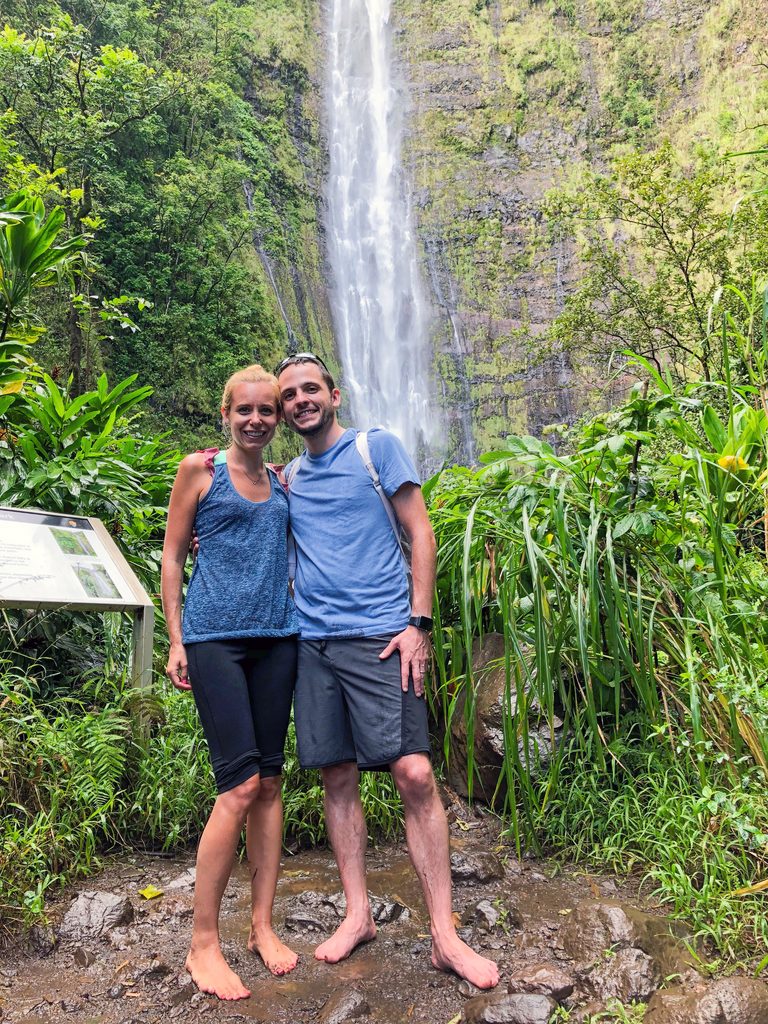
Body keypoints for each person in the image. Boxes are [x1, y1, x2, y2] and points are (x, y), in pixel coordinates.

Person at [276, 353, 500, 990]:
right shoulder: (289, 475)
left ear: (335, 395)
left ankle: (444, 934)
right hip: (313, 643)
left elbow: (420, 528)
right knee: (337, 774)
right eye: (289, 394)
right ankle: (357, 915)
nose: (300, 401)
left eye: (310, 389)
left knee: (415, 771)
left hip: (382, 637)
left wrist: (418, 625)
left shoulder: (377, 449)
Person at [161, 364, 299, 1001]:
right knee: (239, 785)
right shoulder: (202, 470)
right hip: (216, 638)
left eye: (266, 410)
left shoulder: (280, 481)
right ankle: (203, 942)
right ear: (226, 414)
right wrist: (177, 638)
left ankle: (262, 927)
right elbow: (172, 553)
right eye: (244, 410)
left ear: (279, 419)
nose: (255, 420)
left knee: (270, 783)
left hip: (278, 642)